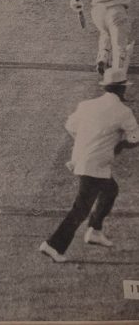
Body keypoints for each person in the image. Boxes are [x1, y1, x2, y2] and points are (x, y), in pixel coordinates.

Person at [39, 68, 139, 262]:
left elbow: (70, 126)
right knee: (81, 208)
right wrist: (119, 144)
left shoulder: (87, 105)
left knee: (110, 190)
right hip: (94, 165)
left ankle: (94, 230)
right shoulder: (123, 111)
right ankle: (53, 245)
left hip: (82, 159)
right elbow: (135, 138)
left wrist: (86, 143)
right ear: (121, 90)